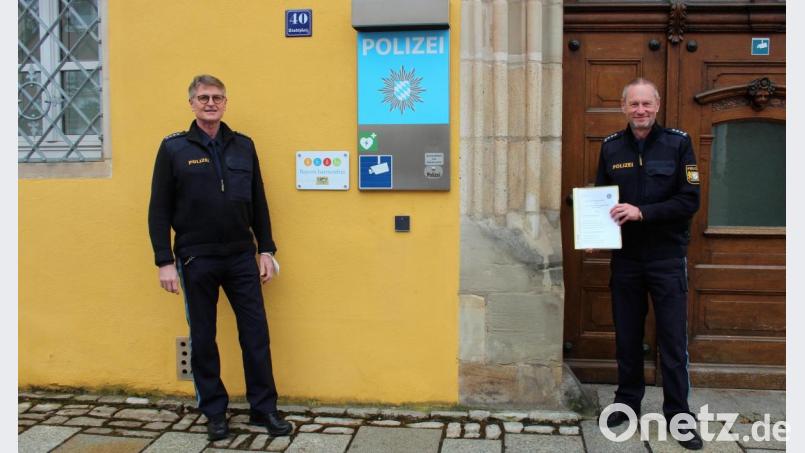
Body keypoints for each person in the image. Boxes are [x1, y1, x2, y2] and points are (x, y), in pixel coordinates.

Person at [148, 74, 292, 441]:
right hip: (197, 258)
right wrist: (164, 260)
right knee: (204, 338)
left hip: (241, 257)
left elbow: (259, 201)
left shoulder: (243, 146)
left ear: (226, 103)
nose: (210, 103)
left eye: (217, 97)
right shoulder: (173, 149)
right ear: (192, 104)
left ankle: (264, 409)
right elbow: (159, 209)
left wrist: (266, 249)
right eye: (203, 97)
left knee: (255, 335)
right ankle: (214, 412)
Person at [595, 78, 703, 450]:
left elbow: (689, 200)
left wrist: (643, 212)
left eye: (646, 104)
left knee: (673, 339)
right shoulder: (610, 148)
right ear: (623, 107)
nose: (640, 110)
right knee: (627, 335)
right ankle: (627, 402)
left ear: (657, 106)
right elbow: (600, 199)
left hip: (666, 258)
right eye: (633, 104)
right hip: (625, 259)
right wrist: (595, 233)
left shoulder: (678, 143)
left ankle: (679, 414)